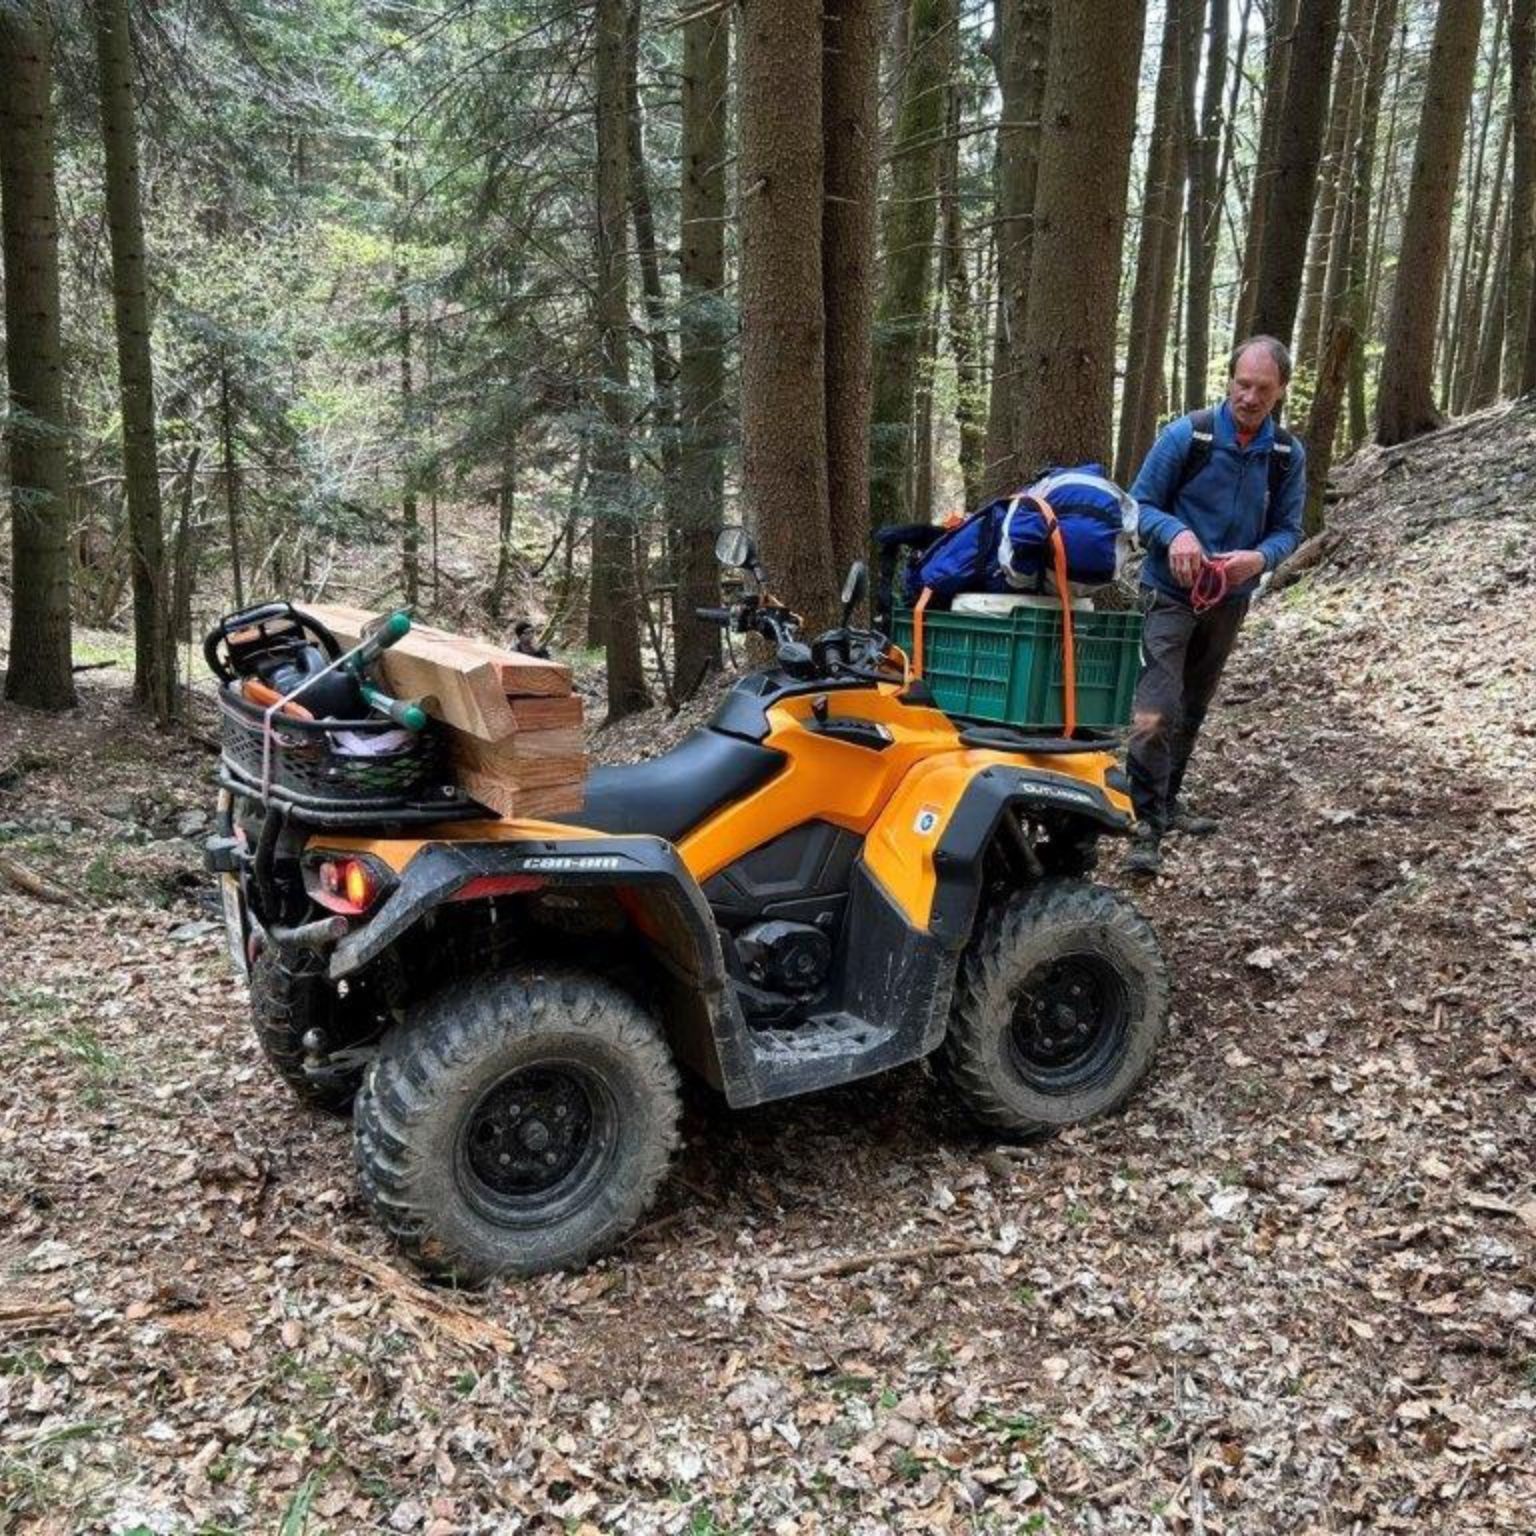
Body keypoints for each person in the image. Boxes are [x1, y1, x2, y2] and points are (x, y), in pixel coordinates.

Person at [1122, 335, 1306, 878]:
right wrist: (1176, 534)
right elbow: (1139, 506)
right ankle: (1145, 821)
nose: (1249, 398)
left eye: (1262, 389)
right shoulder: (1189, 435)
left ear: (1280, 392)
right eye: (1242, 384)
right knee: (1155, 707)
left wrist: (1259, 558)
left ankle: (1168, 801)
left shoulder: (1285, 456)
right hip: (1169, 593)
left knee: (1194, 706)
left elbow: (1289, 530)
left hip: (1230, 600)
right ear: (1229, 380)